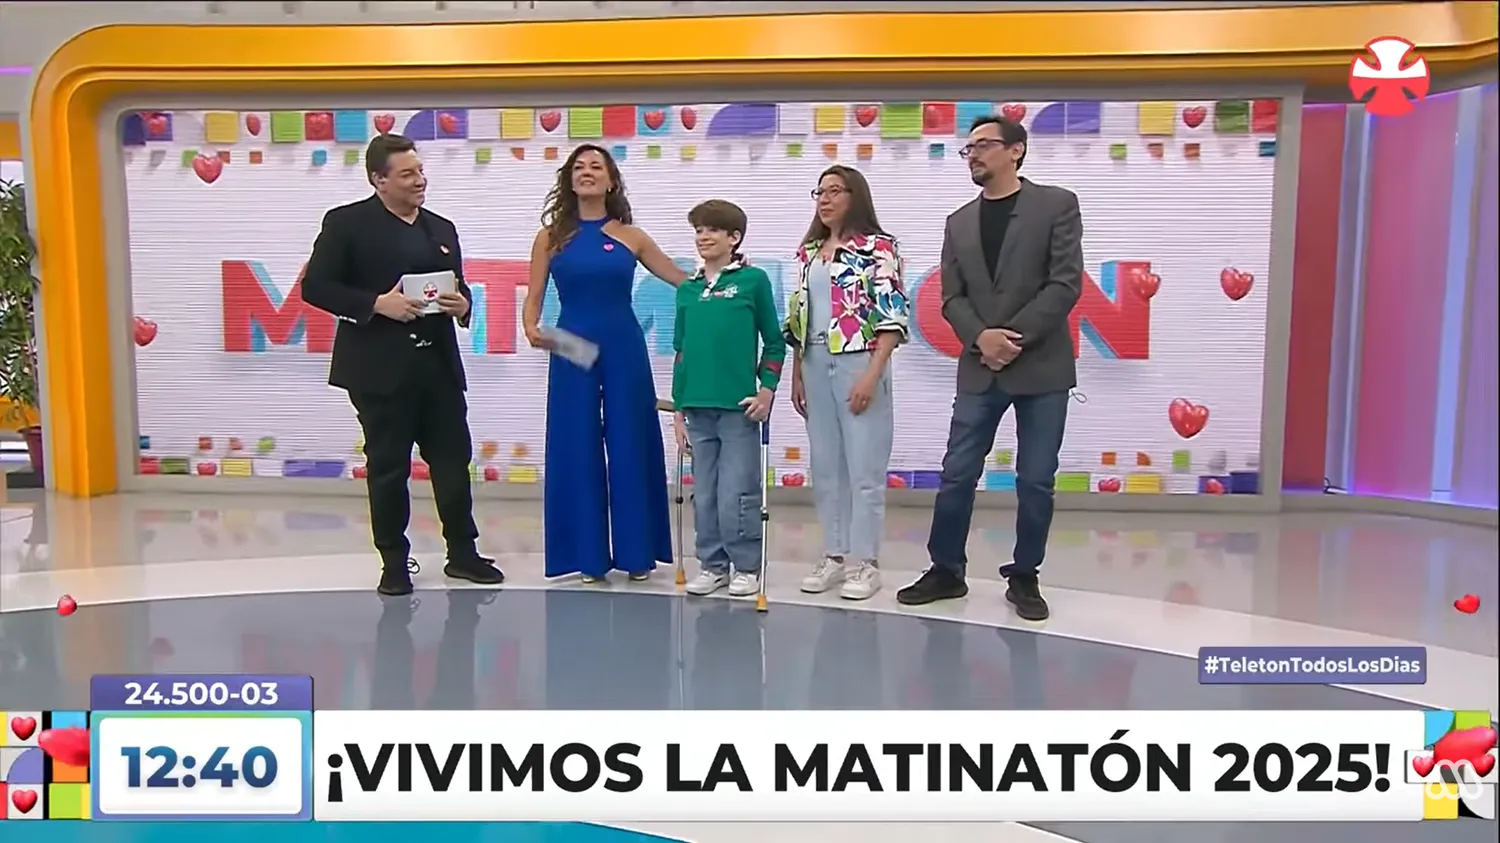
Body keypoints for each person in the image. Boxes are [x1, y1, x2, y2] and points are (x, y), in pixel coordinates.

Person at [896, 115, 1084, 621]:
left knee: (1036, 479)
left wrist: (1012, 338)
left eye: (984, 145)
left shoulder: (1056, 205)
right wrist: (982, 338)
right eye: (969, 148)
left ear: (1016, 150)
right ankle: (946, 569)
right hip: (980, 366)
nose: (973, 155)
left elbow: (1065, 283)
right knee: (957, 473)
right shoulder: (958, 222)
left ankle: (1024, 574)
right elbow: (950, 297)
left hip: (1041, 369)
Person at [302, 134, 504, 596]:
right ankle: (394, 561)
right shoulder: (346, 223)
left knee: (452, 461)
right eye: (407, 174)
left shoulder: (441, 228)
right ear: (379, 180)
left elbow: (459, 286)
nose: (419, 180)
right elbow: (316, 287)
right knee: (388, 466)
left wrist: (463, 305)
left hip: (437, 367)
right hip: (379, 370)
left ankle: (463, 553)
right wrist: (376, 304)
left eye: (421, 171)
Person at [523, 144, 687, 583]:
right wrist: (532, 328)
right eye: (579, 167)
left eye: (596, 166)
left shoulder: (631, 236)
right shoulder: (551, 237)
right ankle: (588, 557)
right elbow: (534, 298)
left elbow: (681, 280)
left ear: (611, 180)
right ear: (569, 180)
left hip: (623, 344)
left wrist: (726, 278)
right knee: (576, 440)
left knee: (631, 439)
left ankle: (637, 553)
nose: (587, 172)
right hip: (572, 344)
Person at [783, 165, 908, 601]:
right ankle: (833, 555)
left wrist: (872, 374)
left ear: (856, 196)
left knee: (864, 468)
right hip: (814, 361)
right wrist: (797, 372)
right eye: (820, 191)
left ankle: (866, 562)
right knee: (826, 466)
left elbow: (891, 317)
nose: (826, 199)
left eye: (836, 191)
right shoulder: (809, 253)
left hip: (858, 361)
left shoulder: (878, 248)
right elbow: (799, 317)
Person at [670, 200, 785, 597]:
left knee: (737, 491)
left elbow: (774, 342)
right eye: (699, 230)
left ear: (734, 238)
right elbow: (681, 351)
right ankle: (712, 564)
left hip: (739, 409)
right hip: (697, 408)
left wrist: (766, 390)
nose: (704, 237)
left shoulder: (753, 281)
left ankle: (746, 566)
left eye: (713, 230)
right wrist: (678, 410)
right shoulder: (688, 289)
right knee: (704, 493)